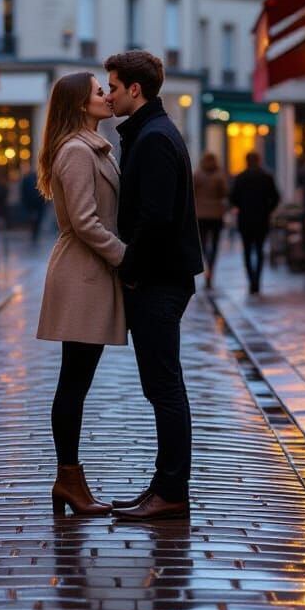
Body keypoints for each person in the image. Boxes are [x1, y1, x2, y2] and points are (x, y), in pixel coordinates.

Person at [105, 50, 203, 521]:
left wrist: (130, 268)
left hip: (159, 279)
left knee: (164, 387)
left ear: (135, 90)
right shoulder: (149, 132)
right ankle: (163, 485)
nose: (109, 94)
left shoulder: (154, 138)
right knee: (161, 386)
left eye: (114, 87)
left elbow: (156, 217)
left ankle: (171, 491)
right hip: (161, 276)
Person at [36, 72, 127, 516]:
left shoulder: (93, 146)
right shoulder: (75, 151)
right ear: (78, 104)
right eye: (98, 91)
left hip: (91, 271)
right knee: (73, 381)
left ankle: (69, 479)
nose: (107, 96)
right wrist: (124, 256)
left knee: (77, 379)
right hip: (83, 273)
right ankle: (68, 479)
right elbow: (87, 221)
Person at [229, 152, 281, 295]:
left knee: (246, 250)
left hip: (245, 219)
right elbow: (276, 197)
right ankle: (257, 280)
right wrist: (268, 210)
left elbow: (233, 198)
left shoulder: (240, 177)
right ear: (259, 160)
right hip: (262, 219)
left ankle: (251, 280)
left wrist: (241, 206)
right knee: (259, 250)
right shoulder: (266, 177)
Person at [193, 151, 227, 288]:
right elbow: (224, 192)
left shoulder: (197, 174)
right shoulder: (219, 175)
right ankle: (211, 267)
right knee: (215, 243)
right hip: (216, 214)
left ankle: (207, 264)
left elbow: (191, 191)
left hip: (201, 214)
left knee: (204, 243)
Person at [20, 167, 46, 240]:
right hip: (37, 202)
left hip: (32, 202)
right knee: (37, 219)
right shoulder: (37, 179)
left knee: (34, 218)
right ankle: (35, 233)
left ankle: (34, 232)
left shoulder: (27, 178)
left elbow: (23, 191)